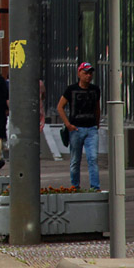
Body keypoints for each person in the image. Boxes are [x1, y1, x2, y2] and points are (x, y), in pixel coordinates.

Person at [57, 62, 101, 191]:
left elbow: (97, 108)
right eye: (85, 73)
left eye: (90, 73)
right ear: (79, 74)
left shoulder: (95, 89)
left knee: (93, 158)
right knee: (75, 160)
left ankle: (95, 186)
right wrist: (68, 124)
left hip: (91, 129)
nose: (88, 76)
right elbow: (60, 107)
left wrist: (97, 123)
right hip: (76, 129)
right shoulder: (71, 89)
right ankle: (75, 186)